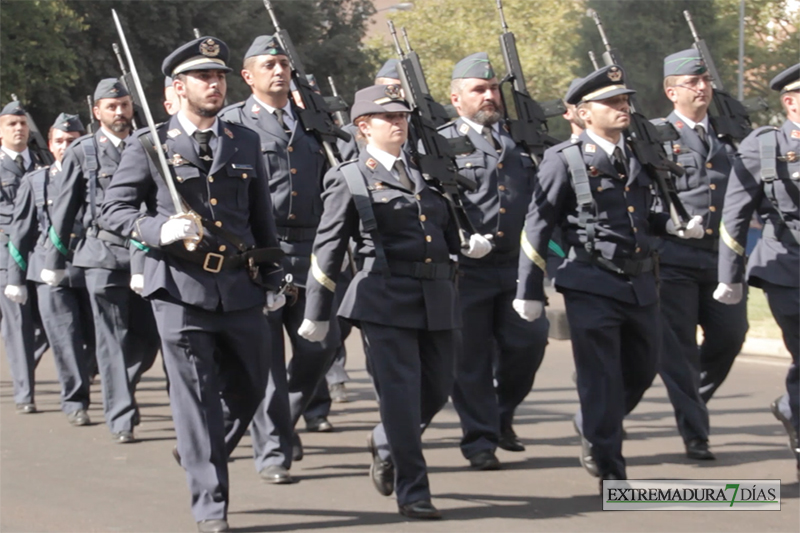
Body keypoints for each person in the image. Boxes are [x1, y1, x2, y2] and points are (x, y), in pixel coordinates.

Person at [101, 36, 285, 533]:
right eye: (204, 77)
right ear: (177, 88)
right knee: (196, 399)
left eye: (220, 76)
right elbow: (112, 210)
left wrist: (273, 274)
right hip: (180, 291)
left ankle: (197, 448)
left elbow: (260, 216)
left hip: (240, 287)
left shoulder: (244, 140)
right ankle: (210, 507)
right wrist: (158, 229)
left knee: (250, 388)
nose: (215, 84)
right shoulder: (150, 145)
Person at [300, 83, 491, 519]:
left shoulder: (430, 172)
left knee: (439, 388)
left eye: (403, 117)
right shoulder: (350, 178)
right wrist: (317, 311)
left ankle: (385, 442)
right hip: (384, 298)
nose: (399, 123)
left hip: (438, 295)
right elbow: (327, 249)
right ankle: (414, 490)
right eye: (389, 118)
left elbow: (447, 231)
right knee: (401, 398)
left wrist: (469, 241)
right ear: (364, 127)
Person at [513, 65, 705, 491]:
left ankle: (593, 425)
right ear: (583, 112)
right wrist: (528, 289)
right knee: (600, 379)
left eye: (625, 101)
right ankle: (612, 471)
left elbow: (642, 215)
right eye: (612, 103)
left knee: (642, 369)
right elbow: (538, 225)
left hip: (640, 284)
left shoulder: (637, 154)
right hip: (590, 282)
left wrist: (672, 226)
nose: (623, 108)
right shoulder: (563, 160)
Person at [219, 34, 336, 484]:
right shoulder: (234, 123)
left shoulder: (313, 122)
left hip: (312, 250)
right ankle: (272, 454)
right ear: (248, 76)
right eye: (268, 64)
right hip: (260, 254)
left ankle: (280, 421)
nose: (279, 71)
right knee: (265, 359)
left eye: (284, 62)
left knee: (321, 346)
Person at [437, 52, 549, 470]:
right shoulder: (442, 143)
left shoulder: (522, 140)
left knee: (530, 344)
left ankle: (501, 415)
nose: (489, 96)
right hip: (468, 269)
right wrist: (459, 240)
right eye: (478, 90)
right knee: (470, 359)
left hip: (518, 266)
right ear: (456, 98)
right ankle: (479, 439)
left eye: (493, 90)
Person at [41, 79, 160, 443]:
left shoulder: (148, 145)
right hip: (101, 256)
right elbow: (64, 210)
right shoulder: (82, 151)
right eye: (112, 107)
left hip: (145, 254)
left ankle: (119, 383)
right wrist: (54, 258)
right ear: (97, 112)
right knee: (111, 338)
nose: (120, 113)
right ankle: (121, 415)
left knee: (147, 337)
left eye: (124, 105)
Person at [653, 49, 746, 461]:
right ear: (671, 91)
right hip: (672, 259)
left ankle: (693, 400)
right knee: (680, 351)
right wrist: (665, 222)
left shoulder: (729, 134)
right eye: (692, 82)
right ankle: (695, 432)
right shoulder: (654, 135)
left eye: (705, 80)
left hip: (721, 258)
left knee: (730, 335)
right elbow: (639, 194)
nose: (702, 88)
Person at [715, 62, 800, 479]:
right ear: (791, 103)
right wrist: (729, 276)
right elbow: (734, 215)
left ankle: (790, 407)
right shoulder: (763, 146)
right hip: (787, 268)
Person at [5, 113, 95, 425]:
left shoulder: (97, 177)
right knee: (64, 337)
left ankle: (92, 381)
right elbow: (20, 230)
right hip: (47, 271)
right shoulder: (36, 180)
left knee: (100, 341)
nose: (65, 147)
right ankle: (74, 402)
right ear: (51, 142)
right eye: (60, 141)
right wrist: (15, 278)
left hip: (91, 265)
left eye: (72, 142)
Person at [0, 100, 49, 414]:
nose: (18, 129)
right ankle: (24, 392)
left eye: (22, 123)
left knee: (47, 323)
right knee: (17, 323)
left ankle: (23, 364)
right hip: (7, 254)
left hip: (42, 252)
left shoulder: (42, 162)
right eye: (11, 124)